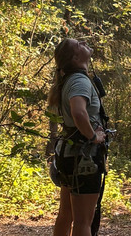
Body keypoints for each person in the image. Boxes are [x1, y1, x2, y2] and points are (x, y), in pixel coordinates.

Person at [49, 38, 108, 236]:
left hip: (69, 154)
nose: (84, 42)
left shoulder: (69, 80)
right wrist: (93, 137)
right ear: (75, 57)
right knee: (83, 222)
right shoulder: (80, 81)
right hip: (84, 158)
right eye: (79, 44)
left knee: (66, 215)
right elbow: (79, 113)